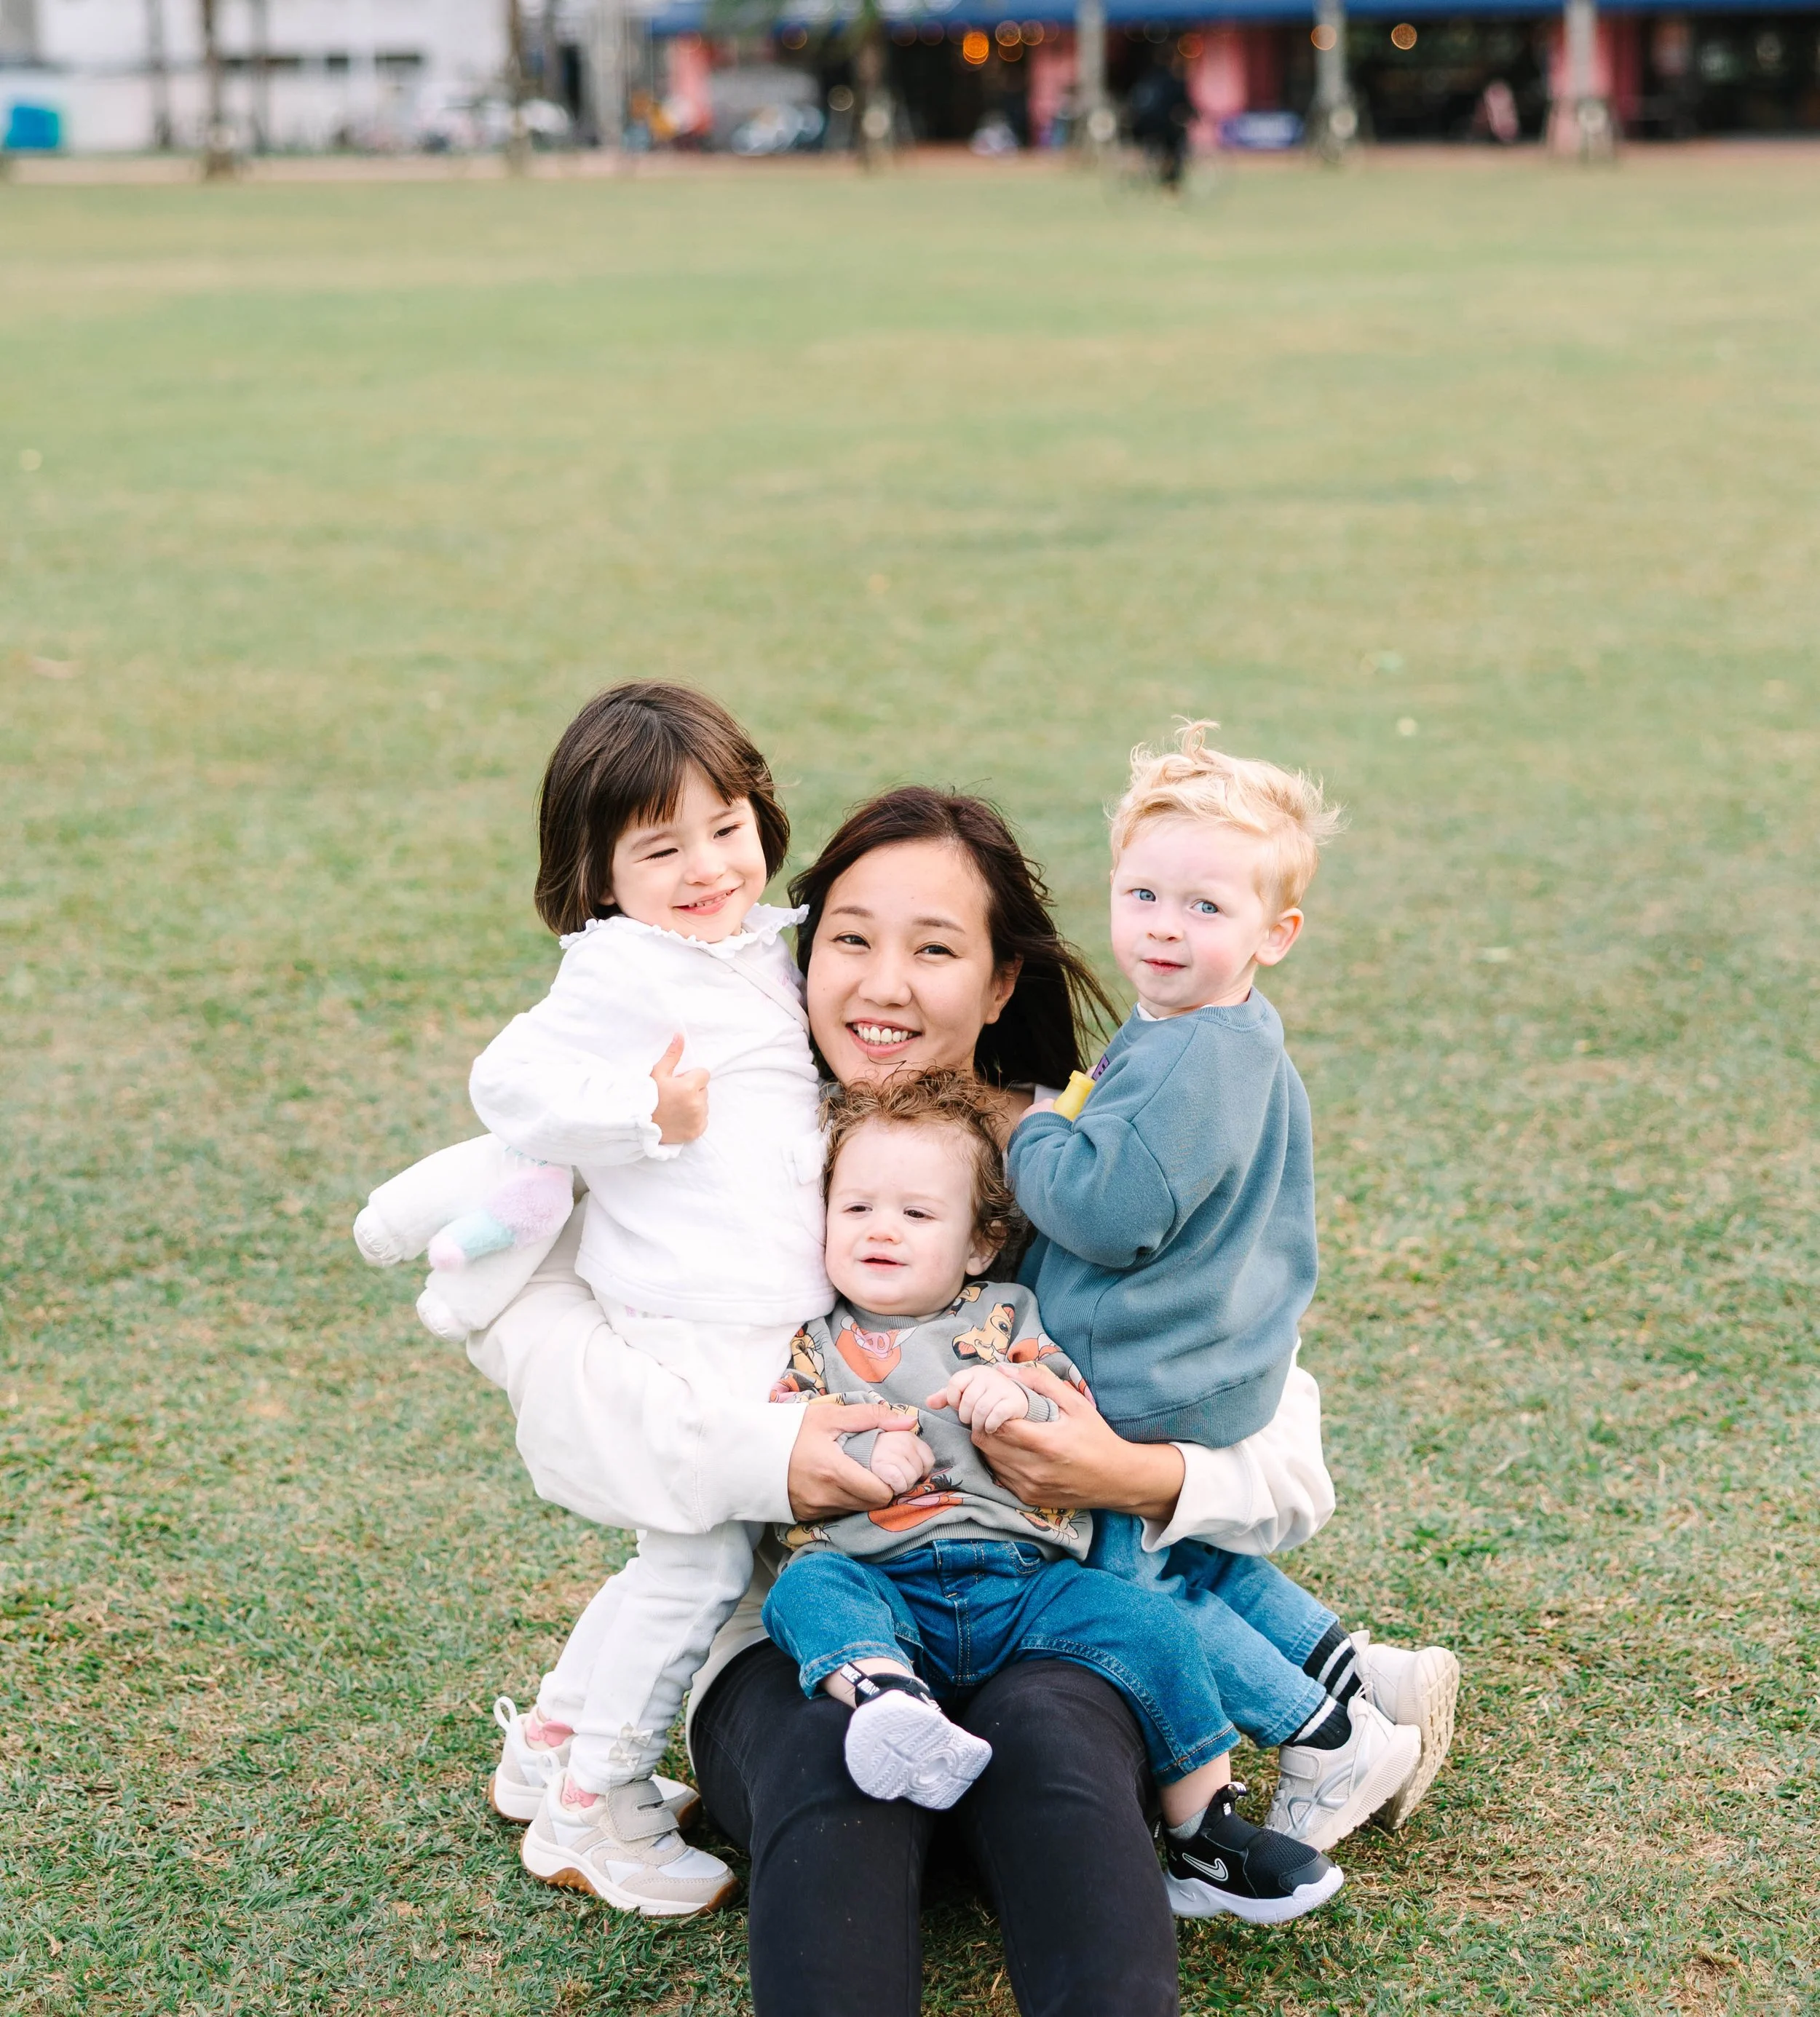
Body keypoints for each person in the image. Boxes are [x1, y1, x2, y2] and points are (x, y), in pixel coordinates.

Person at [397, 678, 841, 1915]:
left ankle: (549, 1743)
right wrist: (647, 1111)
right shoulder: (622, 972)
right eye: (661, 847)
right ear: (598, 874)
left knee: (685, 1551)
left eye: (726, 827)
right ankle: (599, 1805)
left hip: (751, 1318)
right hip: (689, 1321)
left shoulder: (751, 946)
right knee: (700, 1567)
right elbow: (508, 1082)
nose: (706, 866)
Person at [1008, 723, 1458, 1851]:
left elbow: (1109, 1213)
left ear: (1277, 932)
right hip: (1207, 1350)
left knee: (1127, 1583)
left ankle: (1329, 1735)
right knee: (1195, 1550)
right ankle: (1367, 1674)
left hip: (1147, 1368)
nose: (1165, 925)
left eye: (1206, 907)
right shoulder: (1224, 1034)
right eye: (1144, 892)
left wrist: (1035, 1136)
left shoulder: (1192, 1054)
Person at [761, 1071, 1342, 1925]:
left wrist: (1015, 1395)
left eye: (917, 1214)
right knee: (804, 1591)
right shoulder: (812, 1342)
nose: (881, 1228)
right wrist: (857, 1446)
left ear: (974, 1244)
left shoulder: (1003, 1313)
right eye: (855, 1209)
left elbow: (1060, 1393)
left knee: (1151, 1626)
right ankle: (888, 1696)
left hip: (1023, 1579)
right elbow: (782, 1436)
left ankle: (1202, 1833)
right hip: (882, 1580)